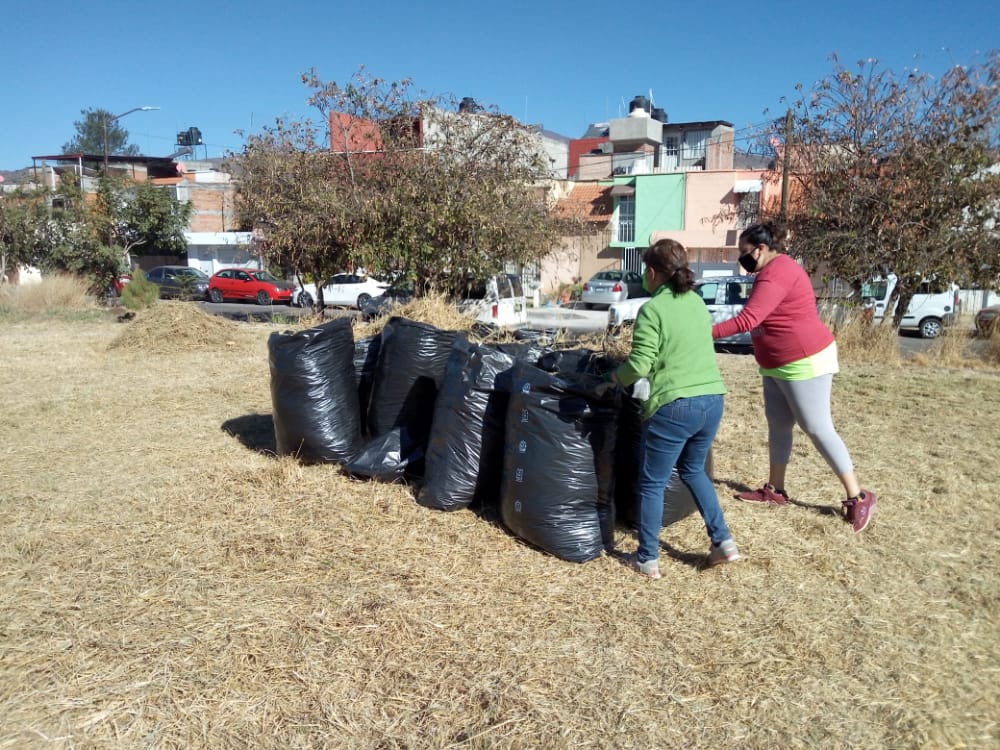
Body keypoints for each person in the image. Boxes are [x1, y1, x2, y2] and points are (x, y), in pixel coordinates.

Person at [712, 221, 876, 532]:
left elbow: (749, 318)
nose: (741, 259)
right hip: (775, 364)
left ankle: (858, 496)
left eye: (744, 253)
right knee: (779, 425)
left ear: (761, 249)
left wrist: (702, 333)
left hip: (804, 361)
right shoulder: (766, 272)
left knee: (817, 428)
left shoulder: (779, 272)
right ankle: (776, 490)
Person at [610, 239, 740, 579]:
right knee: (694, 470)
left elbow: (639, 364)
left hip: (675, 406)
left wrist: (612, 380)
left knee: (652, 483)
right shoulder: (697, 303)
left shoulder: (652, 310)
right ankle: (723, 542)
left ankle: (647, 559)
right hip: (712, 400)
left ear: (652, 273)